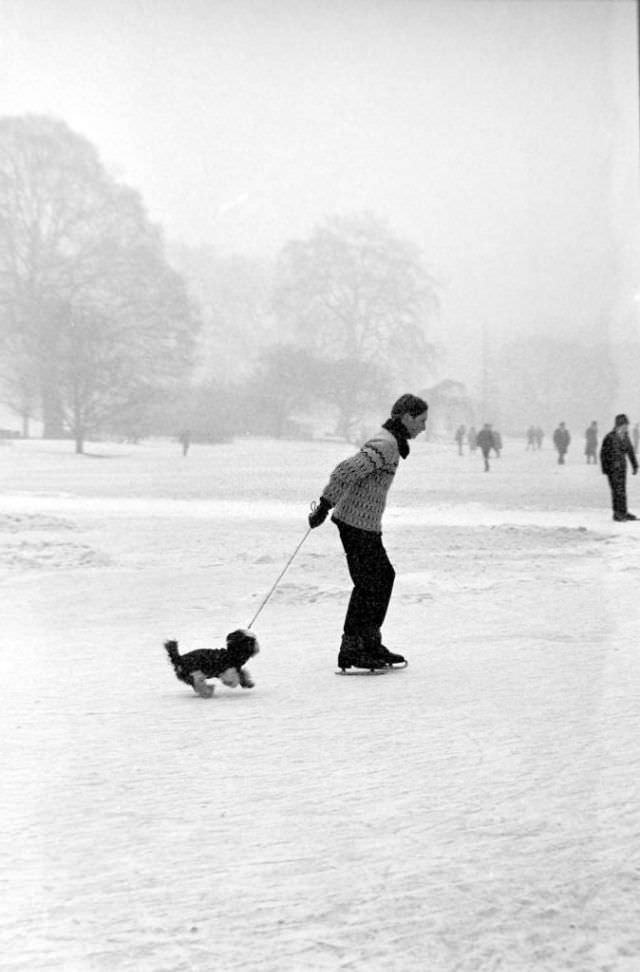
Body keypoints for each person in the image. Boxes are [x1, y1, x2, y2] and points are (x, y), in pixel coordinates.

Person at [308, 393, 428, 671]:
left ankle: (368, 641)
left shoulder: (390, 442)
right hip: (355, 522)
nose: (423, 427)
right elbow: (345, 471)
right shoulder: (386, 444)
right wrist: (324, 506)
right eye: (421, 420)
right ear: (407, 417)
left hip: (364, 523)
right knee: (369, 584)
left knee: (381, 578)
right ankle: (353, 648)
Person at [599, 413, 638, 521]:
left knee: (622, 490)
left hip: (622, 468)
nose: (626, 427)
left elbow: (630, 451)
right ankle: (617, 513)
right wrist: (605, 469)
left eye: (627, 425)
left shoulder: (626, 437)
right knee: (616, 491)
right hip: (612, 469)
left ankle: (623, 512)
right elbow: (603, 454)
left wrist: (635, 465)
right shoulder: (610, 437)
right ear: (618, 425)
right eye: (624, 425)